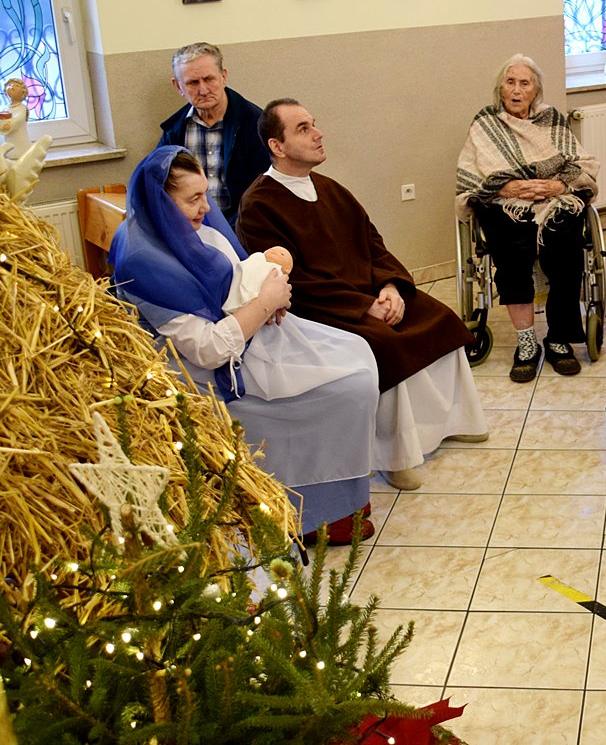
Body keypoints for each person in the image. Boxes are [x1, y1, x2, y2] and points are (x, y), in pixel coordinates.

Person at [109, 147, 380, 543]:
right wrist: (264, 302)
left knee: (357, 352)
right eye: (193, 199)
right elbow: (207, 350)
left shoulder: (194, 229)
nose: (206, 207)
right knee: (347, 388)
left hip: (246, 335)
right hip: (202, 373)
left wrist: (268, 291)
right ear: (161, 203)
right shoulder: (145, 262)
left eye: (205, 194)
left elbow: (237, 277)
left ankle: (345, 493)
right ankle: (311, 511)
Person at [237, 99, 488, 491]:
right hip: (321, 308)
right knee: (385, 343)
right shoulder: (259, 205)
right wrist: (363, 306)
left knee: (438, 316)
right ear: (277, 146)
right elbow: (291, 282)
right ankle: (396, 456)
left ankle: (455, 420)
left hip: (369, 292)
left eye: (314, 124)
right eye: (303, 129)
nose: (318, 133)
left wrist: (390, 287)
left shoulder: (330, 188)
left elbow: (373, 244)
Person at [455, 54, 601, 380]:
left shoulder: (552, 119)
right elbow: (472, 174)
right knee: (511, 253)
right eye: (510, 82)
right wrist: (506, 187)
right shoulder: (486, 122)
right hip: (504, 203)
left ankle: (558, 338)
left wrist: (559, 185)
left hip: (554, 200)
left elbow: (580, 163)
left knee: (566, 247)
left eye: (525, 83)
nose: (517, 90)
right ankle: (526, 342)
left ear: (536, 90)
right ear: (500, 88)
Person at [158, 42, 271, 225]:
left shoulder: (255, 123)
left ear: (223, 77)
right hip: (189, 226)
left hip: (243, 226)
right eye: (193, 83)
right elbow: (159, 181)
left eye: (209, 79)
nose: (203, 90)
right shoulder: (175, 130)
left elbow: (265, 191)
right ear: (178, 87)